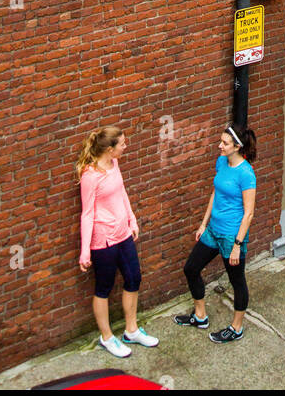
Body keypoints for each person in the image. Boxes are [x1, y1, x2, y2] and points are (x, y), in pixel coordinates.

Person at [77, 125, 159, 358]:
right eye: (122, 144)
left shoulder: (115, 164)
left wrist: (132, 220)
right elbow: (87, 214)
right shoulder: (90, 176)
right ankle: (107, 337)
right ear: (110, 149)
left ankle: (131, 330)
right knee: (104, 288)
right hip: (103, 241)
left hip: (123, 234)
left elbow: (122, 193)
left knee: (134, 277)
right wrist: (85, 252)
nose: (125, 147)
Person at [174, 122, 257, 343]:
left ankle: (236, 328)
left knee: (237, 281)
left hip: (232, 237)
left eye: (225, 143)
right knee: (191, 268)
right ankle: (200, 316)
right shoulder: (221, 162)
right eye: (221, 141)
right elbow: (215, 193)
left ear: (237, 146)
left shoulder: (246, 174)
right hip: (213, 230)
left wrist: (238, 245)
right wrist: (203, 224)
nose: (219, 146)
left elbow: (248, 214)